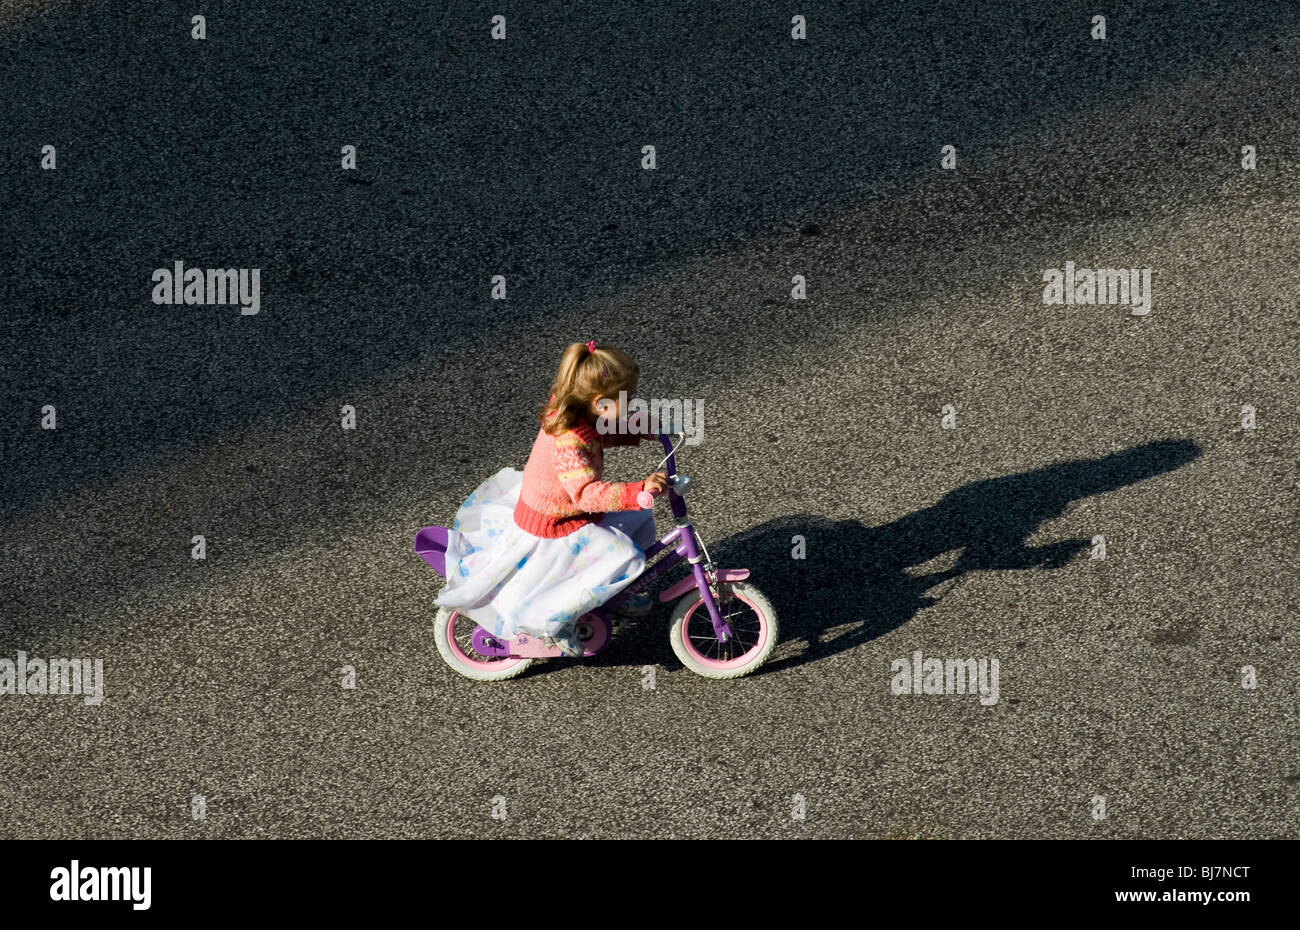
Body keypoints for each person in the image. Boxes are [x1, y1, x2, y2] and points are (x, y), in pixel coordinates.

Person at [433, 340, 669, 657]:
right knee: (626, 554)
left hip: (565, 510)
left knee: (640, 520)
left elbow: (602, 432)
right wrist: (637, 490)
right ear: (599, 403)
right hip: (555, 523)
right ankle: (554, 624)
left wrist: (642, 429)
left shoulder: (580, 412)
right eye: (627, 399)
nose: (632, 403)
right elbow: (586, 495)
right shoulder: (569, 442)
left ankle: (616, 593)